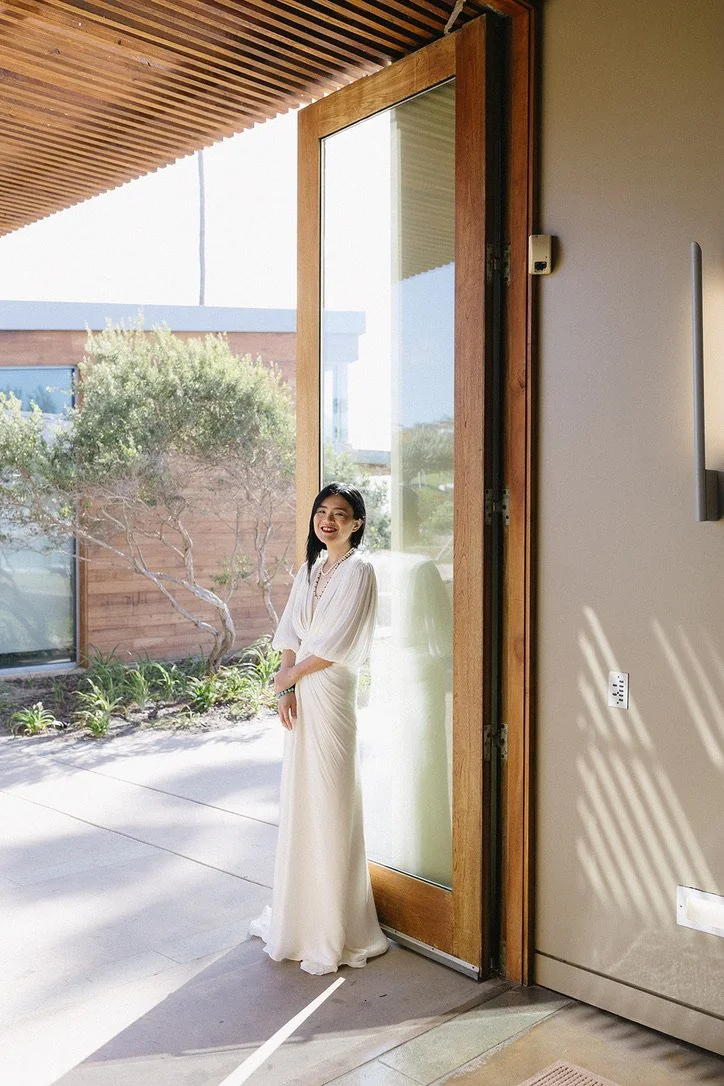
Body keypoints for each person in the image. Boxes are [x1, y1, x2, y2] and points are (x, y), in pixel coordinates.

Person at [249, 482, 389, 975]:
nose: (328, 520)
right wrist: (285, 685)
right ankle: (301, 918)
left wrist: (291, 675)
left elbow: (335, 644)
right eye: (322, 512)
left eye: (340, 513)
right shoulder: (310, 568)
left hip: (331, 693)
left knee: (331, 801)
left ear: (358, 523)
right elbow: (290, 631)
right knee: (302, 801)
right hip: (302, 692)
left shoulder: (360, 571)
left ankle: (336, 925)